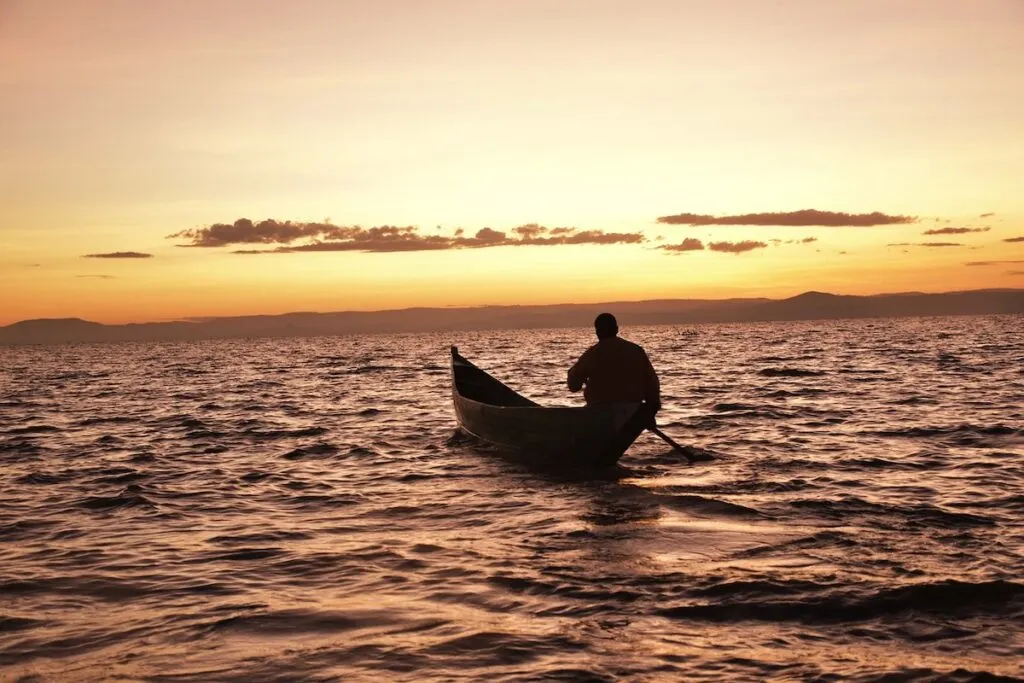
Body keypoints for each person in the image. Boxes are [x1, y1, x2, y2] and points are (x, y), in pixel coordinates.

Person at [567, 313, 661, 422]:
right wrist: (650, 413)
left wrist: (572, 374)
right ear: (616, 329)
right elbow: (653, 385)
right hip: (632, 415)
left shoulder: (592, 354)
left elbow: (573, 386)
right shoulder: (636, 351)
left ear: (597, 332)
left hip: (599, 415)